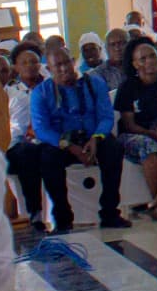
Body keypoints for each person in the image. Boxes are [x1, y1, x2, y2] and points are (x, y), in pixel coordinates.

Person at [30, 42, 127, 233]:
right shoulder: (41, 93)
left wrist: (96, 138)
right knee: (48, 158)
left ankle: (109, 213)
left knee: (114, 148)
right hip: (62, 143)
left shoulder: (94, 83)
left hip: (93, 138)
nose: (64, 68)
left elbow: (106, 116)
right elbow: (41, 129)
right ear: (49, 69)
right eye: (58, 65)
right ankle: (63, 218)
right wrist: (69, 146)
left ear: (74, 62)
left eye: (67, 62)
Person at [114, 34, 157, 219]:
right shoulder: (128, 87)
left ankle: (155, 203)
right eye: (143, 58)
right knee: (147, 146)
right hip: (136, 134)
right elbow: (129, 124)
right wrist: (153, 134)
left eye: (152, 55)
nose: (150, 61)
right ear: (135, 64)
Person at [2, 45, 44, 230]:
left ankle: (39, 215)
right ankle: (28, 213)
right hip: (12, 145)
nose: (29, 66)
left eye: (33, 61)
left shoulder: (49, 87)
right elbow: (13, 130)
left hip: (42, 141)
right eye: (24, 62)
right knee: (26, 153)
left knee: (34, 153)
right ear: (16, 67)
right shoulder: (10, 93)